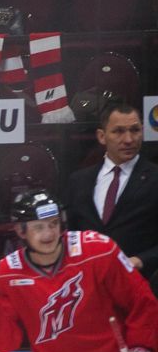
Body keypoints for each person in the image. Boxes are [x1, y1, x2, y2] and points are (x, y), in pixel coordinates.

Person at [0, 190, 158, 352]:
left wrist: (143, 349)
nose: (48, 234)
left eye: (53, 223)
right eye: (38, 227)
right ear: (21, 231)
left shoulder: (98, 250)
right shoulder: (6, 274)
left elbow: (142, 302)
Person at [64, 102, 158, 281]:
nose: (129, 139)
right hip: (88, 286)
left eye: (135, 130)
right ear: (101, 136)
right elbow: (69, 234)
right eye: (119, 131)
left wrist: (141, 260)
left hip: (142, 285)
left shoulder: (155, 179)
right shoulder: (78, 181)